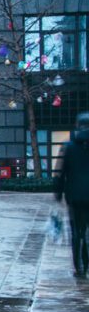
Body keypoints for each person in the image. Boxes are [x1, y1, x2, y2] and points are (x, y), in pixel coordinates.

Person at [55, 113, 89, 279]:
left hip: (74, 195)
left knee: (76, 231)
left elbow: (60, 174)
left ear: (78, 126)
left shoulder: (68, 146)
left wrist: (58, 194)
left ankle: (79, 266)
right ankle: (87, 262)